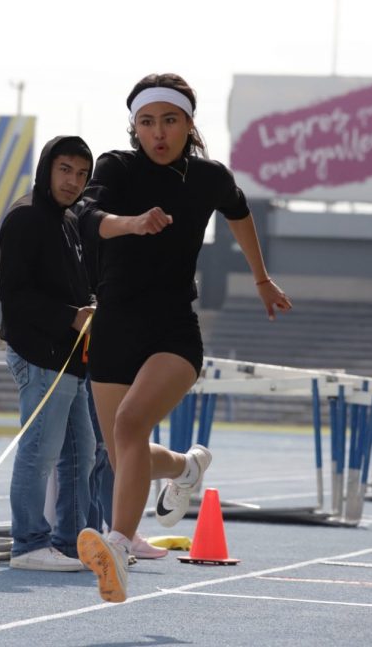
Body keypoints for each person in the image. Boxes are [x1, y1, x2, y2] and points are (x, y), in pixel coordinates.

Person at [75, 73, 292, 602]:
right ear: (134, 126)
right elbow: (85, 216)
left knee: (129, 425)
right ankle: (187, 466)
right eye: (147, 122)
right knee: (123, 452)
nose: (158, 132)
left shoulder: (209, 176)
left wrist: (261, 278)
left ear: (189, 124)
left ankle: (118, 547)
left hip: (172, 329)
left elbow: (239, 213)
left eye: (170, 121)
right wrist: (131, 224)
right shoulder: (116, 166)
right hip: (114, 325)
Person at [0, 135, 97, 572]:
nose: (73, 181)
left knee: (82, 453)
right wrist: (70, 317)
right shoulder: (25, 217)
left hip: (69, 360)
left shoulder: (69, 220)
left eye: (81, 174)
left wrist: (90, 306)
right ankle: (28, 544)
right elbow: (13, 295)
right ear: (47, 169)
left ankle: (70, 543)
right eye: (65, 169)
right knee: (39, 452)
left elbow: (75, 285)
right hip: (39, 357)